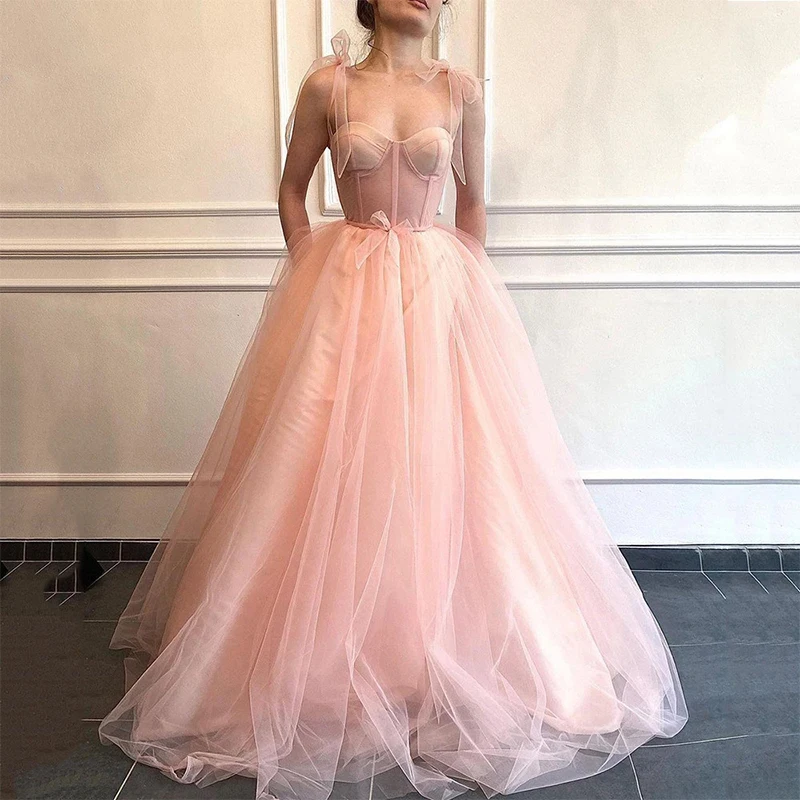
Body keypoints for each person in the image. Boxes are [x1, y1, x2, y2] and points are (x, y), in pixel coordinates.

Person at [97, 2, 688, 799]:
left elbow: (471, 202)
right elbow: (291, 192)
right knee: (328, 463)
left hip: (435, 291)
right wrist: (312, 272)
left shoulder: (459, 91)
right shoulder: (328, 86)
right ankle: (318, 657)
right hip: (346, 292)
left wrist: (468, 292)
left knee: (447, 466)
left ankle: (434, 648)